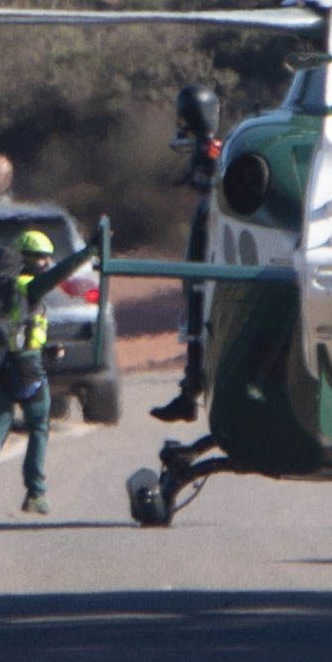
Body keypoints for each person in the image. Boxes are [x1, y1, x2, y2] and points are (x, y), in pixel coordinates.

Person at [0, 228, 98, 519]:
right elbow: (60, 274)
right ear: (24, 258)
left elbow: (18, 326)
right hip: (27, 367)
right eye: (40, 257)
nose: (46, 263)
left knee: (0, 423)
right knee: (39, 426)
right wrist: (87, 253)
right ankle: (36, 493)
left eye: (48, 257)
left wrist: (47, 347)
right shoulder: (28, 286)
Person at [150, 84, 221, 423]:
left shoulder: (212, 151)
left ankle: (192, 388)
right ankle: (191, 386)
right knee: (193, 299)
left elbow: (201, 180)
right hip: (208, 225)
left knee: (196, 295)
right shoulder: (212, 149)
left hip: (209, 229)